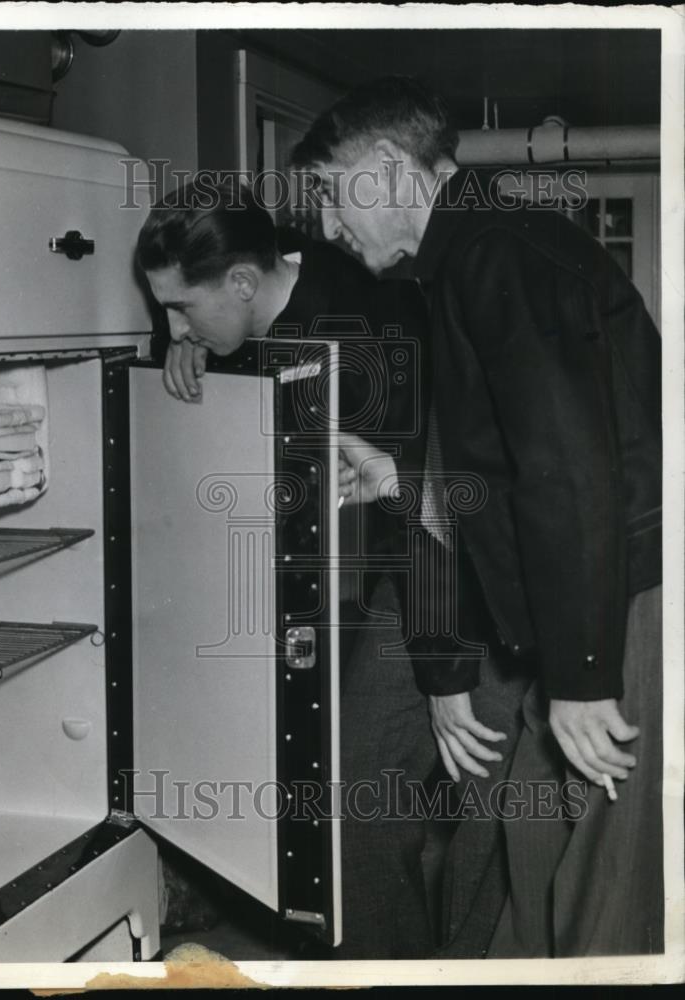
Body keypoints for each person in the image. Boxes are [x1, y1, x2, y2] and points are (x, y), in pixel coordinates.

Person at [291, 75, 663, 957]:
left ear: (387, 171)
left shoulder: (499, 253)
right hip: (596, 598)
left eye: (329, 193)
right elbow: (511, 464)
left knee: (609, 887)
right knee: (533, 843)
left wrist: (579, 676)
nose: (326, 223)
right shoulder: (477, 258)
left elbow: (568, 470)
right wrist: (398, 472)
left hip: (630, 602)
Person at [136, 179, 449, 958]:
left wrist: (444, 677)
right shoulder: (255, 301)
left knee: (368, 796)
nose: (170, 323)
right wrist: (182, 344)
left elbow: (431, 513)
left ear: (243, 281)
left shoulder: (365, 325)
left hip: (439, 574)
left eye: (181, 307)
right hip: (355, 577)